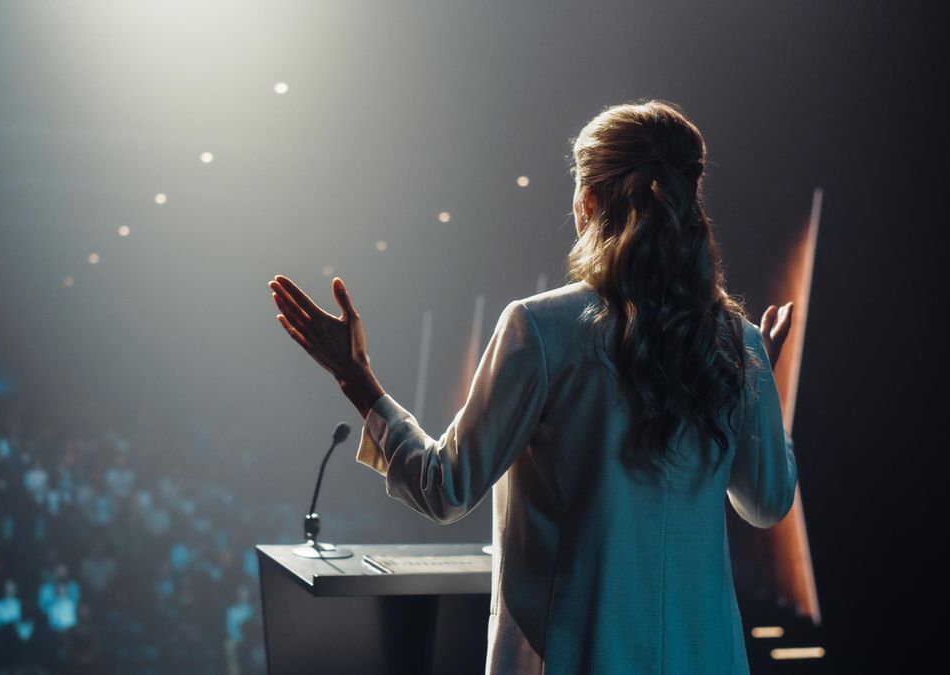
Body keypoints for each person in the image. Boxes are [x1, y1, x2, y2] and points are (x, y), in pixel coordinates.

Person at [268, 99, 797, 674]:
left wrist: (355, 377)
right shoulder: (736, 343)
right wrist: (756, 382)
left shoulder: (540, 328)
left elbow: (445, 489)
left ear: (588, 201)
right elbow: (766, 502)